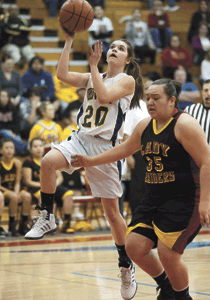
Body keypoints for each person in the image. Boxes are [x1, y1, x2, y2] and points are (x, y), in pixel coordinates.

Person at [25, 23, 144, 300]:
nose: (114, 49)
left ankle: (126, 264)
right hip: (80, 137)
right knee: (47, 162)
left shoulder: (127, 81)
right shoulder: (96, 74)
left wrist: (92, 68)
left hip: (105, 150)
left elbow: (103, 95)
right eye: (112, 46)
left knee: (112, 214)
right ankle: (47, 216)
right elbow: (62, 74)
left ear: (128, 60)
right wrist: (68, 41)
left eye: (120, 48)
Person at [71, 78, 210, 300]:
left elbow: (206, 162)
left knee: (168, 254)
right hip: (154, 198)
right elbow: (125, 149)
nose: (150, 102)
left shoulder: (185, 125)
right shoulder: (145, 125)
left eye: (156, 98)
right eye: (148, 98)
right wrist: (90, 160)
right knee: (134, 246)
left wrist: (205, 201)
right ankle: (166, 286)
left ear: (172, 100)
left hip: (184, 200)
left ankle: (183, 297)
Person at [22, 137, 74, 234]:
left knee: (68, 194)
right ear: (30, 149)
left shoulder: (49, 159)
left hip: (51, 186)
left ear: (44, 147)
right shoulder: (28, 162)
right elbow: (28, 181)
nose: (38, 149)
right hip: (36, 187)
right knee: (47, 198)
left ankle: (67, 223)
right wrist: (44, 185)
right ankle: (47, 225)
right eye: (35, 146)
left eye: (40, 146)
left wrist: (53, 185)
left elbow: (60, 177)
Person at [0, 139, 32, 236]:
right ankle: (12, 225)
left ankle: (23, 225)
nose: (9, 150)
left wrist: (17, 192)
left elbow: (18, 182)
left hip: (14, 189)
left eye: (11, 148)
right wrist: (13, 194)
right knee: (13, 197)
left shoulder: (17, 163)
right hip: (3, 190)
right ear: (1, 150)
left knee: (27, 196)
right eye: (6, 148)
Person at [0, 89, 28, 156]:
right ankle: (25, 147)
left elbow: (16, 123)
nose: (4, 98)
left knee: (17, 138)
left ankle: (21, 149)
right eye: (2, 96)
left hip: (12, 131)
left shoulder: (13, 108)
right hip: (2, 131)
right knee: (4, 132)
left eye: (6, 96)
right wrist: (8, 130)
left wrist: (13, 132)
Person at [185, 79, 210, 145]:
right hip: (194, 152)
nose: (209, 94)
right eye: (206, 90)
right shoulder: (190, 109)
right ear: (202, 92)